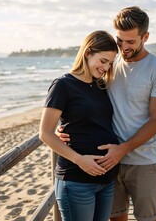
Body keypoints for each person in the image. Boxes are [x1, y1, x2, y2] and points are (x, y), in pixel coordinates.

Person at [58, 6, 156, 221]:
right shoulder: (108, 64)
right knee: (115, 218)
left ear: (145, 37)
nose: (124, 47)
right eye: (120, 40)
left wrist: (122, 150)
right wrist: (64, 126)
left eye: (131, 42)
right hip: (107, 161)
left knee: (147, 218)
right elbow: (84, 100)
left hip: (143, 161)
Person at [39, 30, 120, 221]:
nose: (106, 67)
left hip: (106, 180)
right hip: (77, 180)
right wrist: (79, 160)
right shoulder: (63, 85)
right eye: (102, 61)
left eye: (110, 63)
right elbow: (45, 133)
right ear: (87, 53)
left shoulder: (100, 86)